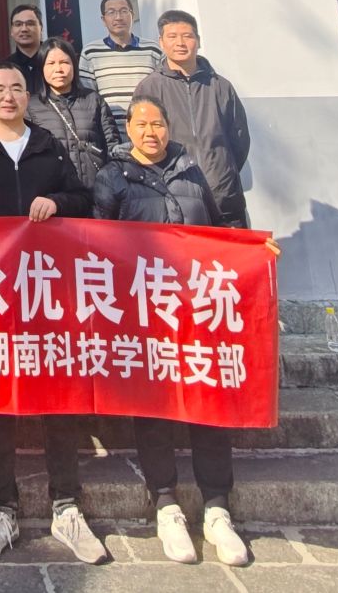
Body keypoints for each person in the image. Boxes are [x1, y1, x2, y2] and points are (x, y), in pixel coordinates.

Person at [0, 63, 107, 566]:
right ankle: (2, 509)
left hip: (47, 293)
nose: (8, 96)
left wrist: (55, 202)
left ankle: (66, 506)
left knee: (58, 398)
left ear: (26, 95)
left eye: (17, 88)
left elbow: (82, 199)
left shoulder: (47, 145)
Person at [95, 97, 251, 567]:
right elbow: (95, 243)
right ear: (127, 128)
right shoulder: (112, 177)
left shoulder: (191, 171)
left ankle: (218, 508)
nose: (151, 132)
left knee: (209, 403)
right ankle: (166, 504)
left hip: (196, 311)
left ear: (168, 127)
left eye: (158, 124)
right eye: (142, 124)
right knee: (155, 408)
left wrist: (255, 253)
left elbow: (222, 230)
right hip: (144, 314)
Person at [131, 9, 249, 230]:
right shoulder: (149, 88)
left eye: (187, 36)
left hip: (224, 196)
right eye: (172, 36)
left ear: (198, 40)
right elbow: (142, 144)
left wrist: (224, 170)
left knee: (230, 251)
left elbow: (239, 140)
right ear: (161, 42)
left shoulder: (220, 86)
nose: (180, 43)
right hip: (176, 200)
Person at [25, 37, 125, 190]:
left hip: (96, 190)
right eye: (51, 63)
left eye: (64, 62)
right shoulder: (31, 107)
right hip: (54, 193)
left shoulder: (93, 100)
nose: (58, 69)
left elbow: (113, 146)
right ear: (42, 68)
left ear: (74, 65)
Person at [79, 0, 161, 125]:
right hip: (110, 130)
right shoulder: (90, 53)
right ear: (103, 20)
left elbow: (162, 91)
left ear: (132, 15)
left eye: (124, 11)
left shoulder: (153, 50)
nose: (118, 17)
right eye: (111, 12)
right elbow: (88, 98)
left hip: (147, 128)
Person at [5, 4, 47, 89]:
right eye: (18, 24)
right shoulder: (6, 67)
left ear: (41, 28)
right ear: (11, 31)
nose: (24, 29)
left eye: (30, 24)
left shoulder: (54, 62)